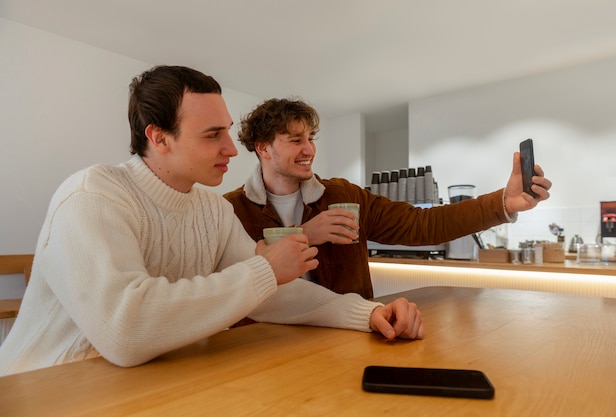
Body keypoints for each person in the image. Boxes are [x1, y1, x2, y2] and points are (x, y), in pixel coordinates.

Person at [0, 66, 423, 377]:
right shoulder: (93, 197)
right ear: (158, 137)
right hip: (43, 389)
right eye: (211, 135)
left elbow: (271, 294)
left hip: (147, 381)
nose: (232, 149)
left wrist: (366, 313)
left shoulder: (212, 209)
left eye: (228, 131)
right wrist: (263, 270)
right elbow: (125, 332)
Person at [224, 98, 552, 298]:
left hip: (343, 336)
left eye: (311, 138)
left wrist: (504, 203)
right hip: (262, 345)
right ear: (263, 148)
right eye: (295, 140)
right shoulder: (230, 210)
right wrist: (307, 234)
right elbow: (227, 284)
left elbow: (424, 225)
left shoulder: (343, 195)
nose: (309, 149)